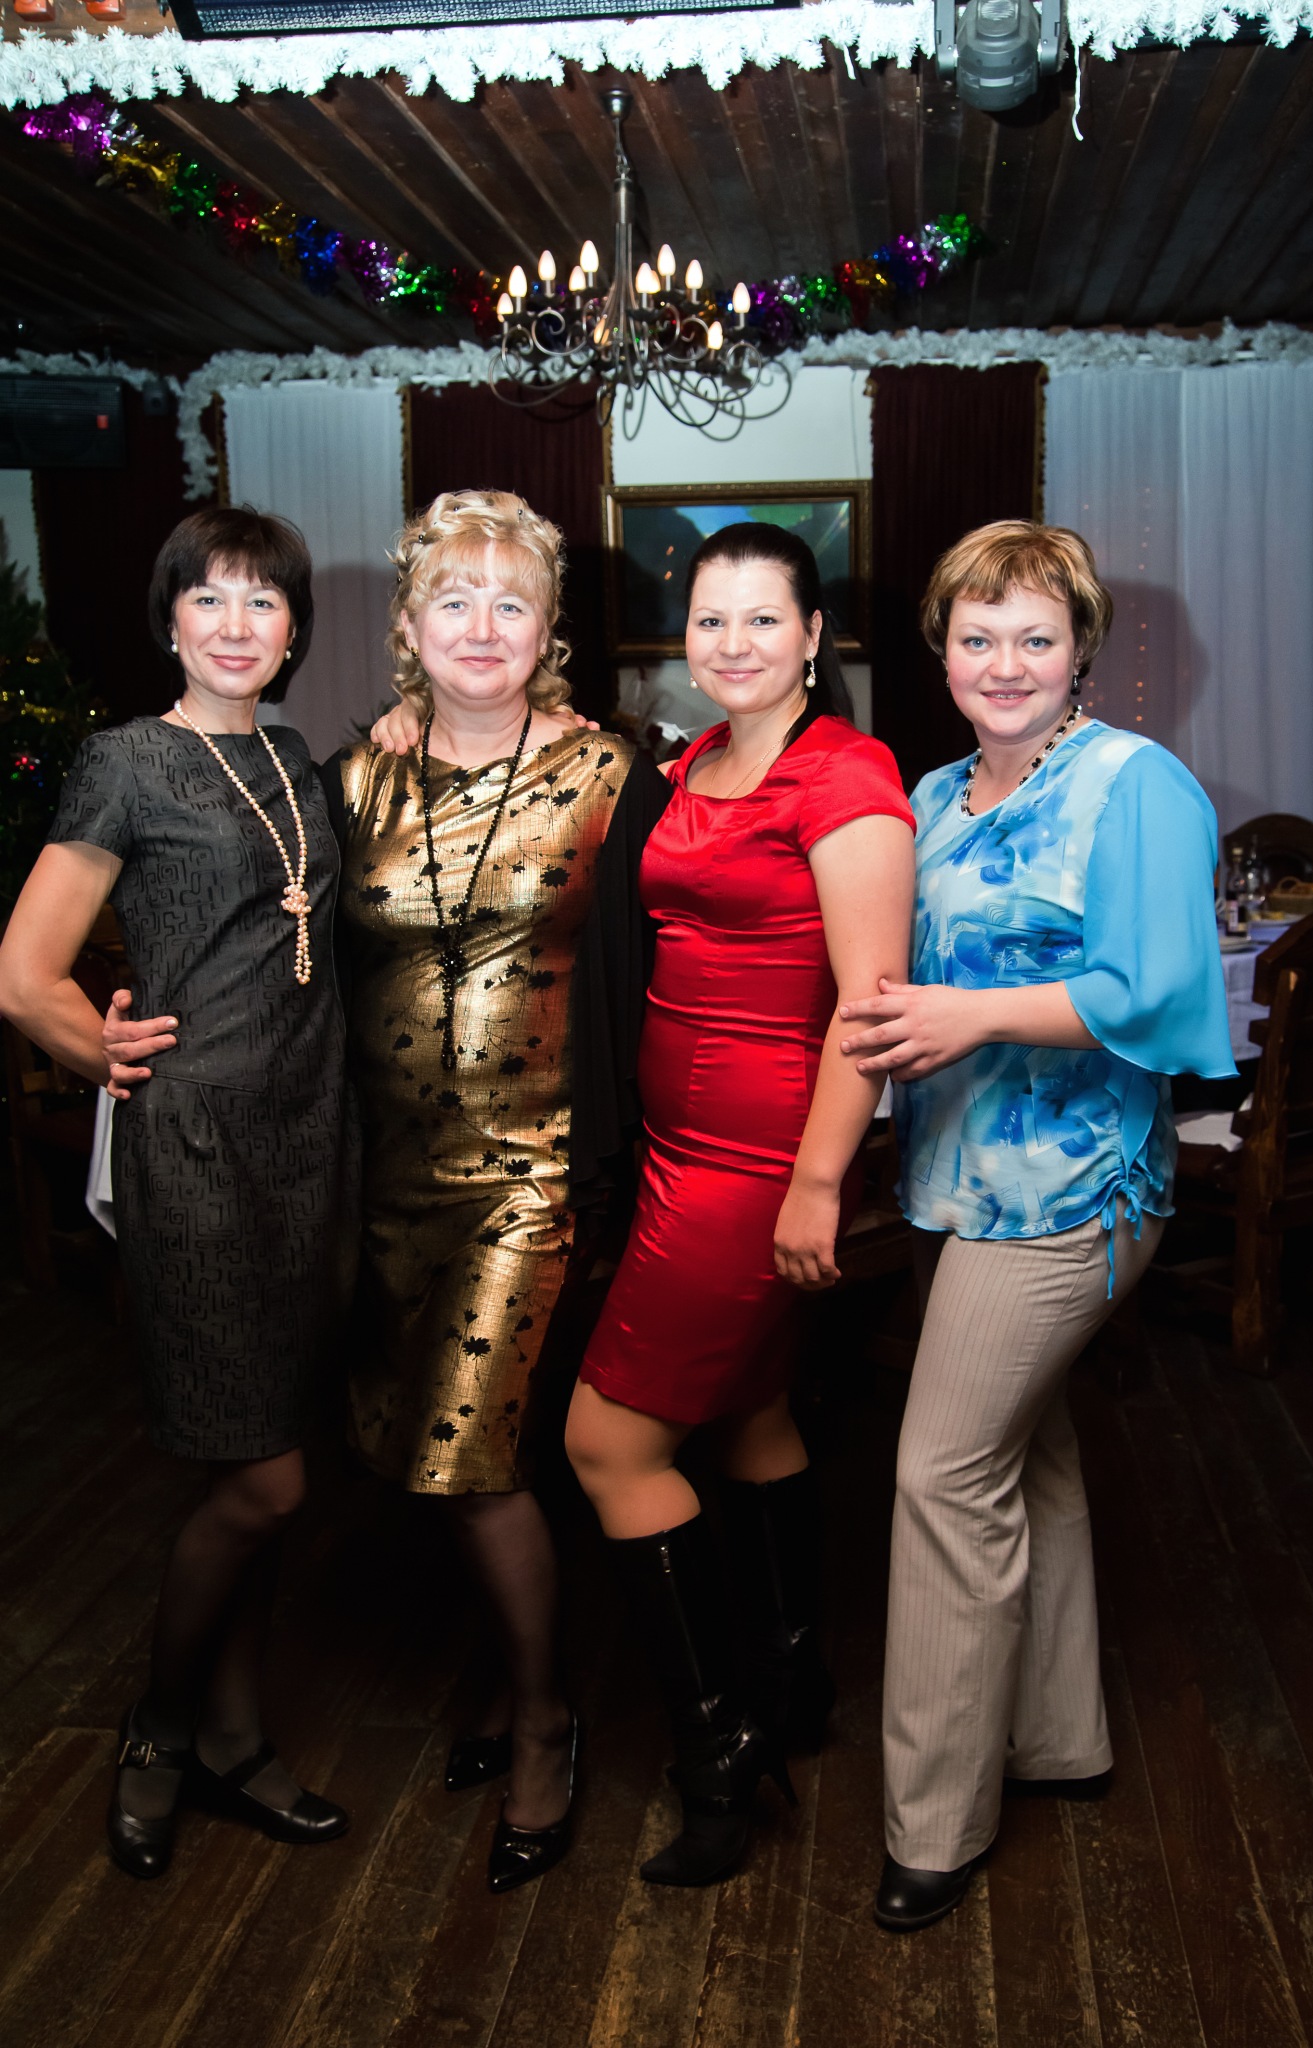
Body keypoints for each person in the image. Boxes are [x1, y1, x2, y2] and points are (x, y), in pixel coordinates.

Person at [838, 520, 1237, 1932]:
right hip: (956, 1185)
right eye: (978, 637)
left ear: (1081, 653)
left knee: (942, 1473)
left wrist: (972, 1016)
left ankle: (933, 1826)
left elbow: (1159, 991)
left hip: (1075, 1193)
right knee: (1027, 1452)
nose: (1005, 664)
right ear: (941, 653)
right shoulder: (936, 793)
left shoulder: (1136, 784)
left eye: (1036, 638)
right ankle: (1060, 1738)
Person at [562, 522, 917, 1887]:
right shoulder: (691, 763)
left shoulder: (848, 774)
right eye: (710, 619)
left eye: (764, 618)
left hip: (761, 1159)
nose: (733, 643)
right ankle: (795, 1675)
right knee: (751, 1407)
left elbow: (871, 1012)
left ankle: (719, 1757)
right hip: (675, 1143)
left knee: (610, 1442)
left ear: (814, 635)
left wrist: (818, 1184)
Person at [0, 507, 350, 1879]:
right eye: (209, 598)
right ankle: (158, 1726)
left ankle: (234, 1739)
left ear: (292, 626)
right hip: (197, 1150)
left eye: (263, 601)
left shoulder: (294, 758)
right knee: (264, 1480)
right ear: (170, 618)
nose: (235, 624)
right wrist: (107, 1054)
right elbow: (23, 973)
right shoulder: (124, 761)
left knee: (265, 1452)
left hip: (307, 1145)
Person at [331, 489, 669, 1894]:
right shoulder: (355, 780)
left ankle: (543, 1717)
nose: (483, 627)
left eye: (511, 603)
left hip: (535, 1171)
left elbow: (676, 951)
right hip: (386, 1173)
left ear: (549, 631)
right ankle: (501, 1667)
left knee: (467, 1456)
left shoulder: (611, 775)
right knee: (427, 1453)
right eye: (454, 602)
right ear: (410, 628)